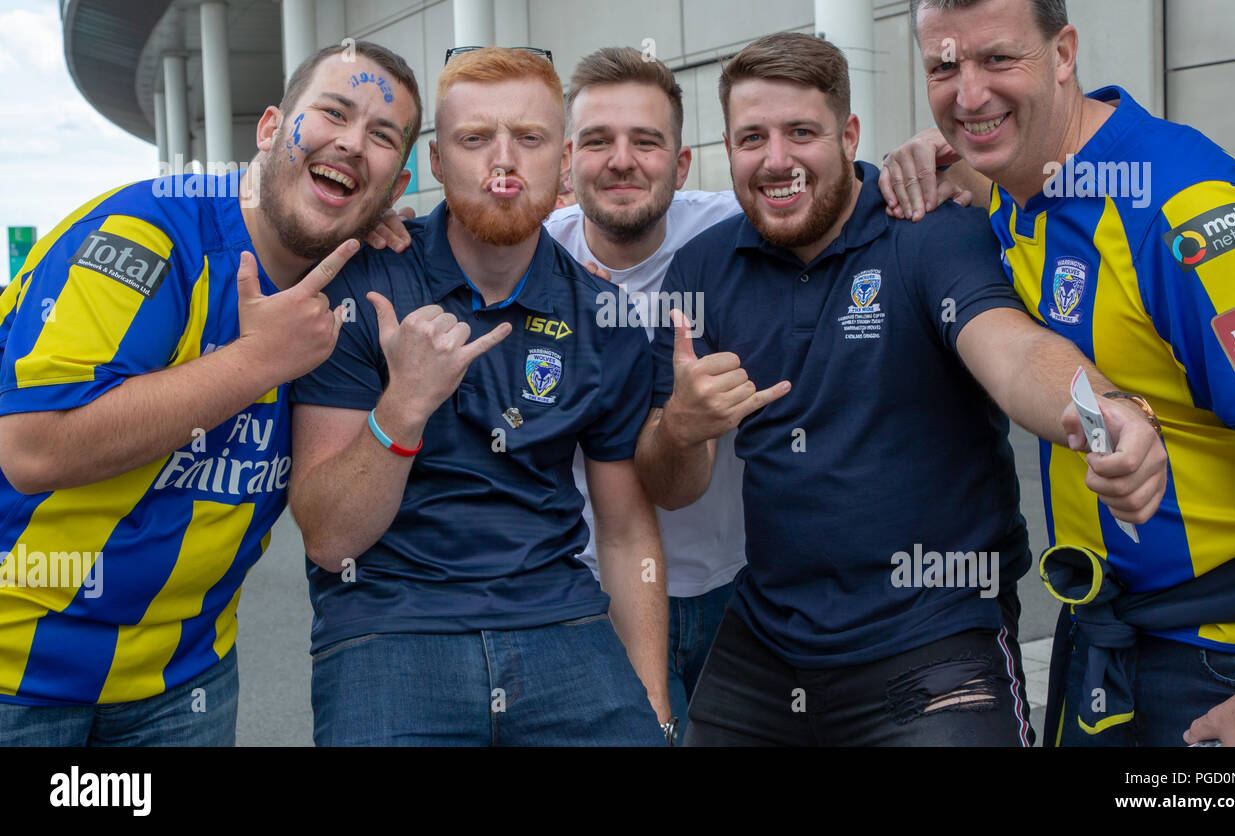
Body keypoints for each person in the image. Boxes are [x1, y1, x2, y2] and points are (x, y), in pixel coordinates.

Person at [635, 31, 1167, 747]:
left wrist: (1104, 410)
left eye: (802, 133)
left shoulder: (923, 231)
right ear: (727, 147)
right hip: (766, 641)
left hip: (936, 637)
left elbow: (1012, 351)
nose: (777, 160)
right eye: (751, 137)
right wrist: (681, 427)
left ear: (848, 133)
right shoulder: (704, 267)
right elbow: (669, 485)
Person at [881, 0, 1235, 746]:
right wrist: (953, 166)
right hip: (1106, 634)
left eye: (999, 60)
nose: (967, 96)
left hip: (1224, 655)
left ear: (1063, 51)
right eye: (943, 67)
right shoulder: (1013, 186)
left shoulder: (1183, 211)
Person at [0, 39, 421, 745]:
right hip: (17, 677)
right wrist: (256, 362)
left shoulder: (355, 281)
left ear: (395, 186)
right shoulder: (145, 233)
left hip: (185, 683)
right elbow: (33, 447)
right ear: (267, 129)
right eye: (333, 113)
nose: (352, 142)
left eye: (381, 137)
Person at [288, 46, 670, 746]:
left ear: (561, 160)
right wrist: (403, 405)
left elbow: (624, 530)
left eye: (529, 139)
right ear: (435, 162)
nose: (503, 162)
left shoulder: (605, 317)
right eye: (474, 139)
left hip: (557, 621)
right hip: (390, 623)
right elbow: (329, 536)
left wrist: (655, 711)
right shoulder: (362, 286)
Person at [544, 47, 745, 740]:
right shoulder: (530, 255)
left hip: (736, 584)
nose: (621, 159)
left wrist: (937, 162)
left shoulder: (732, 228)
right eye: (598, 141)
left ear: (683, 164)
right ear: (569, 160)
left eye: (646, 141)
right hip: (586, 591)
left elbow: (847, 192)